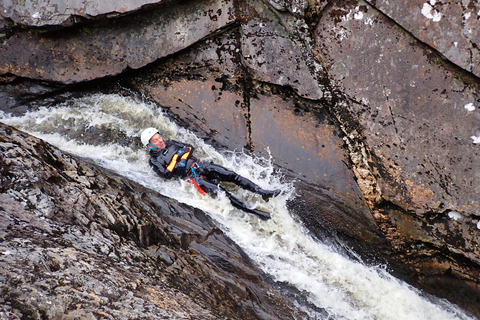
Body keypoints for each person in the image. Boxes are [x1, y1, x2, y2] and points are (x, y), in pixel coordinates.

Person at [140, 127, 280, 220]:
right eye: (156, 140)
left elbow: (189, 147)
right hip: (193, 178)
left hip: (201, 165)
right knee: (223, 193)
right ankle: (254, 212)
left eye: (159, 137)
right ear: (149, 145)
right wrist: (178, 158)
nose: (160, 140)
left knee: (231, 175)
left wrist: (181, 158)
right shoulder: (154, 160)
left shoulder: (170, 143)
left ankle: (263, 192)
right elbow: (165, 174)